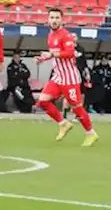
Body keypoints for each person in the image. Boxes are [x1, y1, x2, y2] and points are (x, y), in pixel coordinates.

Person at [35, 8, 98, 146]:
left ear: (62, 19)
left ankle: (90, 133)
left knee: (77, 107)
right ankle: (63, 123)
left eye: (57, 17)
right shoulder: (50, 35)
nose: (54, 20)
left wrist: (51, 55)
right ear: (48, 19)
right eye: (52, 17)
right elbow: (56, 55)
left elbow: (69, 53)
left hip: (69, 78)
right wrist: (43, 59)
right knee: (43, 101)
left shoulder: (65, 35)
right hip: (58, 76)